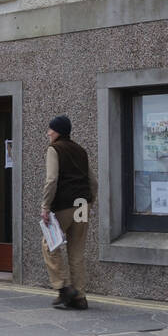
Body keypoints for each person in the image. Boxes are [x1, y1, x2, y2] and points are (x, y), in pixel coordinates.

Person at [40, 115, 98, 310]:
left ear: (58, 132)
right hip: (83, 204)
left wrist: (45, 206)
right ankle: (80, 297)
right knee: (77, 251)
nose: (48, 133)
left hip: (64, 205)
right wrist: (90, 202)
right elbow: (93, 181)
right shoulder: (81, 150)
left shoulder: (54, 149)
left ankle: (63, 287)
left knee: (49, 244)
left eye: (51, 129)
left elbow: (52, 179)